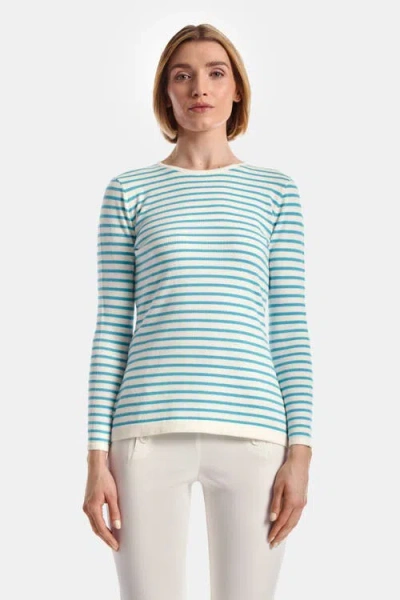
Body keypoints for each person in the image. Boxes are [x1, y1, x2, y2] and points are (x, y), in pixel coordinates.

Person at [83, 23, 314, 600]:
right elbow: (112, 328)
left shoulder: (275, 192)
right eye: (182, 75)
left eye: (215, 73)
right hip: (145, 434)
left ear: (237, 90)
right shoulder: (129, 191)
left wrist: (301, 455)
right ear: (166, 92)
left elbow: (289, 328)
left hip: (254, 434)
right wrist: (96, 459)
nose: (199, 88)